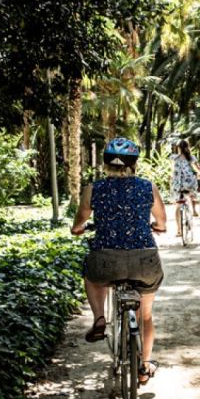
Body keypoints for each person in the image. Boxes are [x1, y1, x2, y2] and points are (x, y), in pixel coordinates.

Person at [71, 137, 166, 383]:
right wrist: (157, 227)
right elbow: (162, 221)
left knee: (93, 278)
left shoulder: (94, 189)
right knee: (145, 316)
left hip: (106, 260)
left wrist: (79, 228)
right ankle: (144, 367)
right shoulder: (148, 187)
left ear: (106, 164)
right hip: (144, 261)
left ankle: (100, 318)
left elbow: (79, 222)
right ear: (134, 164)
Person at [170, 139, 200, 234]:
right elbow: (197, 169)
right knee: (190, 193)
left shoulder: (173, 157)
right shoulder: (191, 158)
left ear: (178, 148)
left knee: (178, 205)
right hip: (189, 184)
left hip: (177, 185)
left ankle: (179, 229)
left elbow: (172, 170)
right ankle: (192, 208)